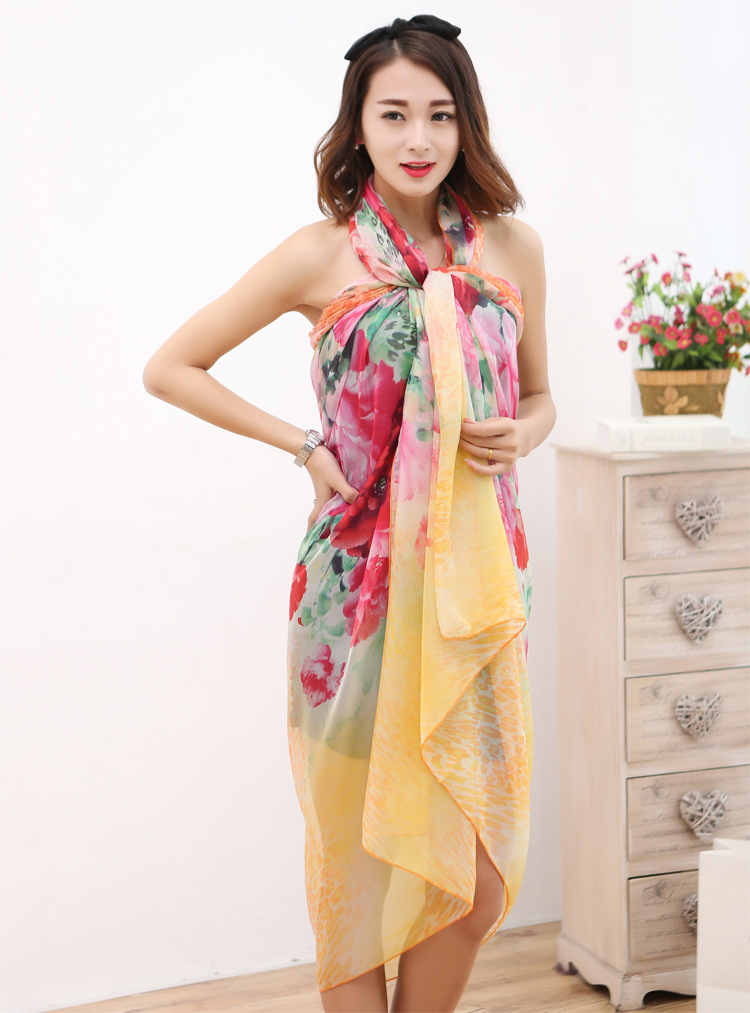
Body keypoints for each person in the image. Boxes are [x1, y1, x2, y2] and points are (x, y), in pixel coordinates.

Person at [143, 14, 555, 1013]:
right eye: (395, 114)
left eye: (441, 115)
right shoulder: (320, 254)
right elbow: (172, 366)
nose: (419, 138)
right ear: (358, 125)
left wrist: (522, 434)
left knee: (476, 881)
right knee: (357, 863)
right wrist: (303, 445)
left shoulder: (512, 248)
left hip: (475, 594)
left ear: (468, 124)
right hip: (354, 594)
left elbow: (544, 397)